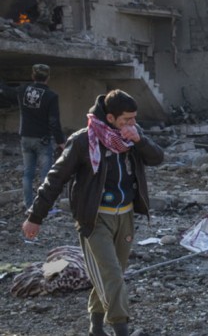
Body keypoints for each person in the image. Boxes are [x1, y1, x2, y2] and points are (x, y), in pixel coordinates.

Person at [21, 90, 164, 336]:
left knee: (110, 275)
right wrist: (35, 217)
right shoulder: (83, 141)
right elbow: (55, 179)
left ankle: (95, 328)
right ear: (110, 117)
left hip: (126, 217)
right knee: (112, 275)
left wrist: (140, 140)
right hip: (94, 219)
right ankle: (121, 329)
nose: (131, 124)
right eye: (126, 120)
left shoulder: (132, 137)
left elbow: (158, 158)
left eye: (134, 119)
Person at [0, 64, 66, 210]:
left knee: (28, 173)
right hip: (42, 141)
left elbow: (5, 91)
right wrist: (61, 142)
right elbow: (54, 122)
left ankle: (28, 205)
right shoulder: (51, 96)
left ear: (32, 76)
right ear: (48, 78)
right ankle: (43, 209)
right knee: (45, 176)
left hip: (25, 138)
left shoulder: (23, 89)